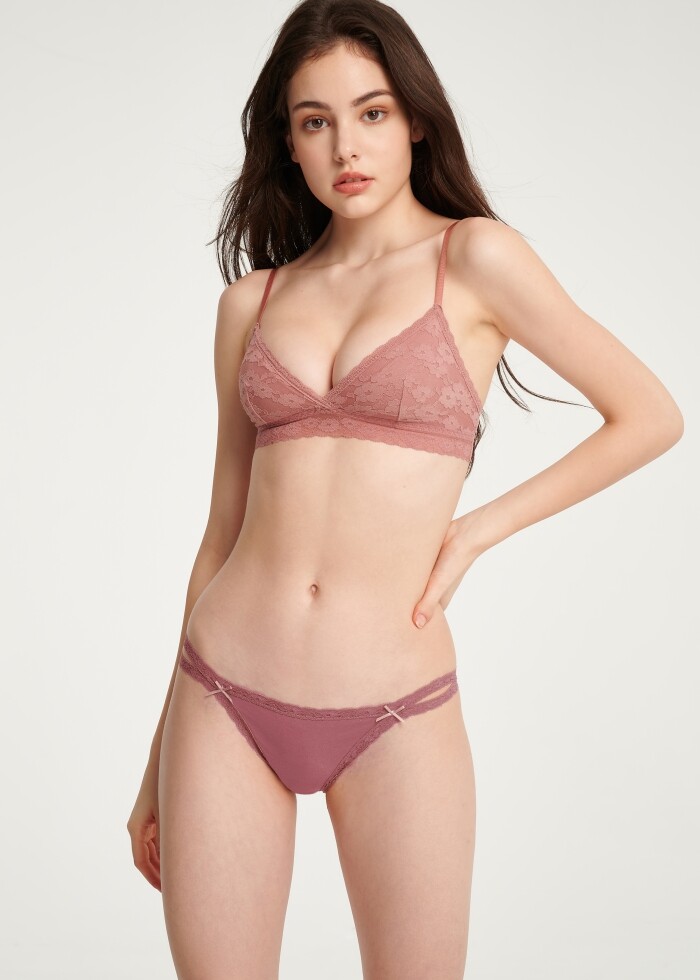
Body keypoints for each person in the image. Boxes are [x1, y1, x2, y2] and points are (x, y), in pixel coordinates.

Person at [126, 1, 684, 976]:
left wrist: (474, 531)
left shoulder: (476, 259)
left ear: (416, 119)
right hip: (222, 694)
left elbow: (650, 414)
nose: (346, 146)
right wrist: (154, 762)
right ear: (287, 142)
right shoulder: (250, 303)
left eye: (372, 112)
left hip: (396, 705)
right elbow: (220, 534)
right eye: (315, 121)